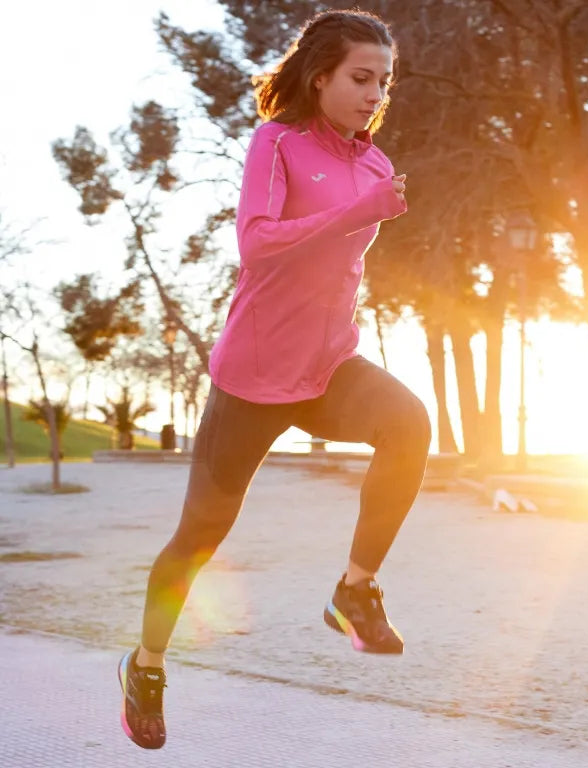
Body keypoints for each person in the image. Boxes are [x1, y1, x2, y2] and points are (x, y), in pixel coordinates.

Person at [118, 8, 431, 750]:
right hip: (253, 380)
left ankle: (353, 590)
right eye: (361, 78)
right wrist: (358, 210)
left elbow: (340, 262)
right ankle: (147, 662)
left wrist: (368, 204)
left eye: (383, 81)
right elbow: (257, 248)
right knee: (200, 536)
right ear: (320, 75)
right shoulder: (276, 143)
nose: (373, 94)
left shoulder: (375, 164)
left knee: (409, 423)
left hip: (327, 367)